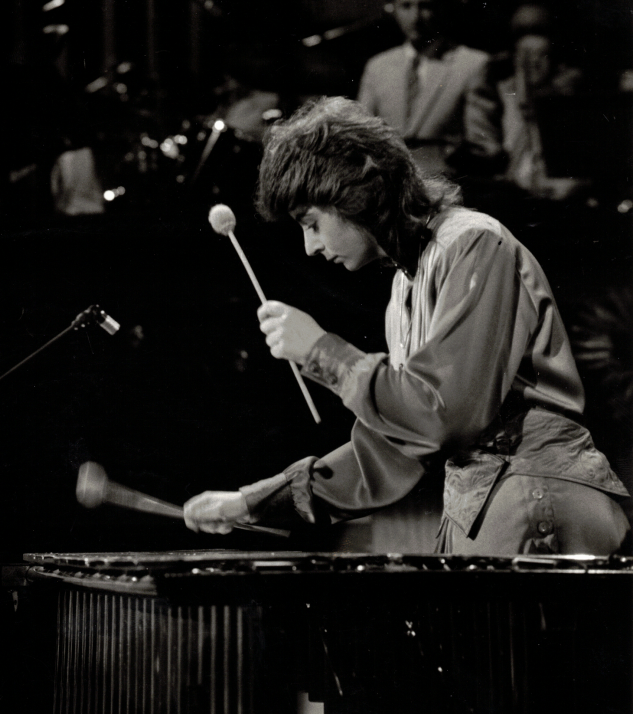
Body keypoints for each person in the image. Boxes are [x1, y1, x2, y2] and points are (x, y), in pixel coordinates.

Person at [182, 97, 631, 555]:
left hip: (534, 502)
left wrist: (323, 352)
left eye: (311, 223)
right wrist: (255, 502)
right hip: (487, 505)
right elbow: (397, 447)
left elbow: (447, 415)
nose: (309, 247)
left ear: (350, 192)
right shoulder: (404, 290)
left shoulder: (473, 242)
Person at [356, 0, 502, 178]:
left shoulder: (472, 65)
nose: (415, 18)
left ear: (442, 9)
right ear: (394, 9)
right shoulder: (377, 67)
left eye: (426, 6)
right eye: (406, 6)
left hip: (446, 190)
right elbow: (361, 140)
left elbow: (485, 148)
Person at [497, 4, 586, 199]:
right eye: (524, 59)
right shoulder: (503, 94)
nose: (532, 66)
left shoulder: (569, 97)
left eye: (541, 58)